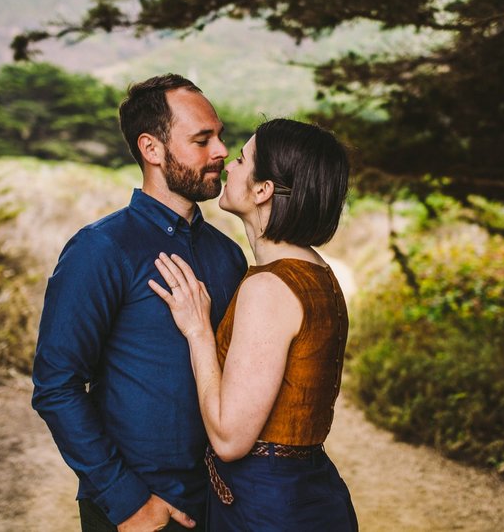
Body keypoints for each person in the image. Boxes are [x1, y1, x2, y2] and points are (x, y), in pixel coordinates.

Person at [31, 74, 248, 532]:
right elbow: (56, 385)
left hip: (220, 506)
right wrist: (126, 501)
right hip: (139, 512)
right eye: (202, 139)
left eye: (221, 136)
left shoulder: (227, 255)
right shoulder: (100, 249)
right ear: (151, 149)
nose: (221, 151)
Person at [148, 118, 359, 531]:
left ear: (263, 190)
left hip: (268, 504)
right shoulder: (319, 272)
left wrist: (198, 331)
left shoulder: (269, 287)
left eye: (242, 159)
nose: (228, 164)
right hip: (308, 492)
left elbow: (229, 440)